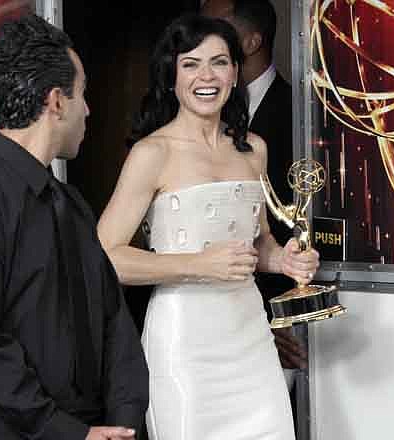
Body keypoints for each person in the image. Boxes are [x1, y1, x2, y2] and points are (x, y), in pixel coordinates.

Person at [0, 14, 148, 440]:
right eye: (83, 95)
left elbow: (116, 325)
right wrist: (65, 431)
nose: (89, 110)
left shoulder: (70, 204)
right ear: (57, 101)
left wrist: (124, 418)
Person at [96, 14, 318, 440]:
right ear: (172, 77)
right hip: (184, 345)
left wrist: (285, 260)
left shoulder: (254, 150)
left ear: (236, 72)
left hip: (250, 338)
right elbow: (106, 257)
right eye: (191, 64)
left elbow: (259, 244)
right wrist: (198, 264)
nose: (207, 76)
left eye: (219, 62)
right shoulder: (151, 153)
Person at [202, 0, 306, 372]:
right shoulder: (195, 119)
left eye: (212, 26)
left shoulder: (301, 114)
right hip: (204, 321)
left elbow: (288, 228)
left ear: (250, 42)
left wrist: (276, 319)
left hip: (276, 326)